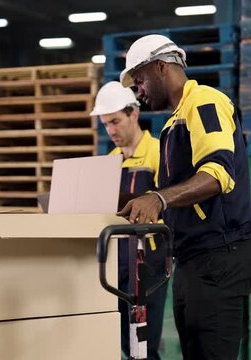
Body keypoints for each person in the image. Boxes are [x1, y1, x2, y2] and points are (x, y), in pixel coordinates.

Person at [116, 34, 251, 359]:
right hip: (193, 260)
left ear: (161, 67)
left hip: (219, 255)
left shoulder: (205, 102)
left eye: (139, 81)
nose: (137, 92)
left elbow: (218, 174)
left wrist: (158, 199)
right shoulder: (173, 122)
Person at [90, 81, 168, 360]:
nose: (110, 130)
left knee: (144, 341)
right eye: (105, 124)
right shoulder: (110, 160)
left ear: (134, 114)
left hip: (150, 262)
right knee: (122, 339)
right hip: (116, 260)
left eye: (115, 121)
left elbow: (170, 208)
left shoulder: (160, 152)